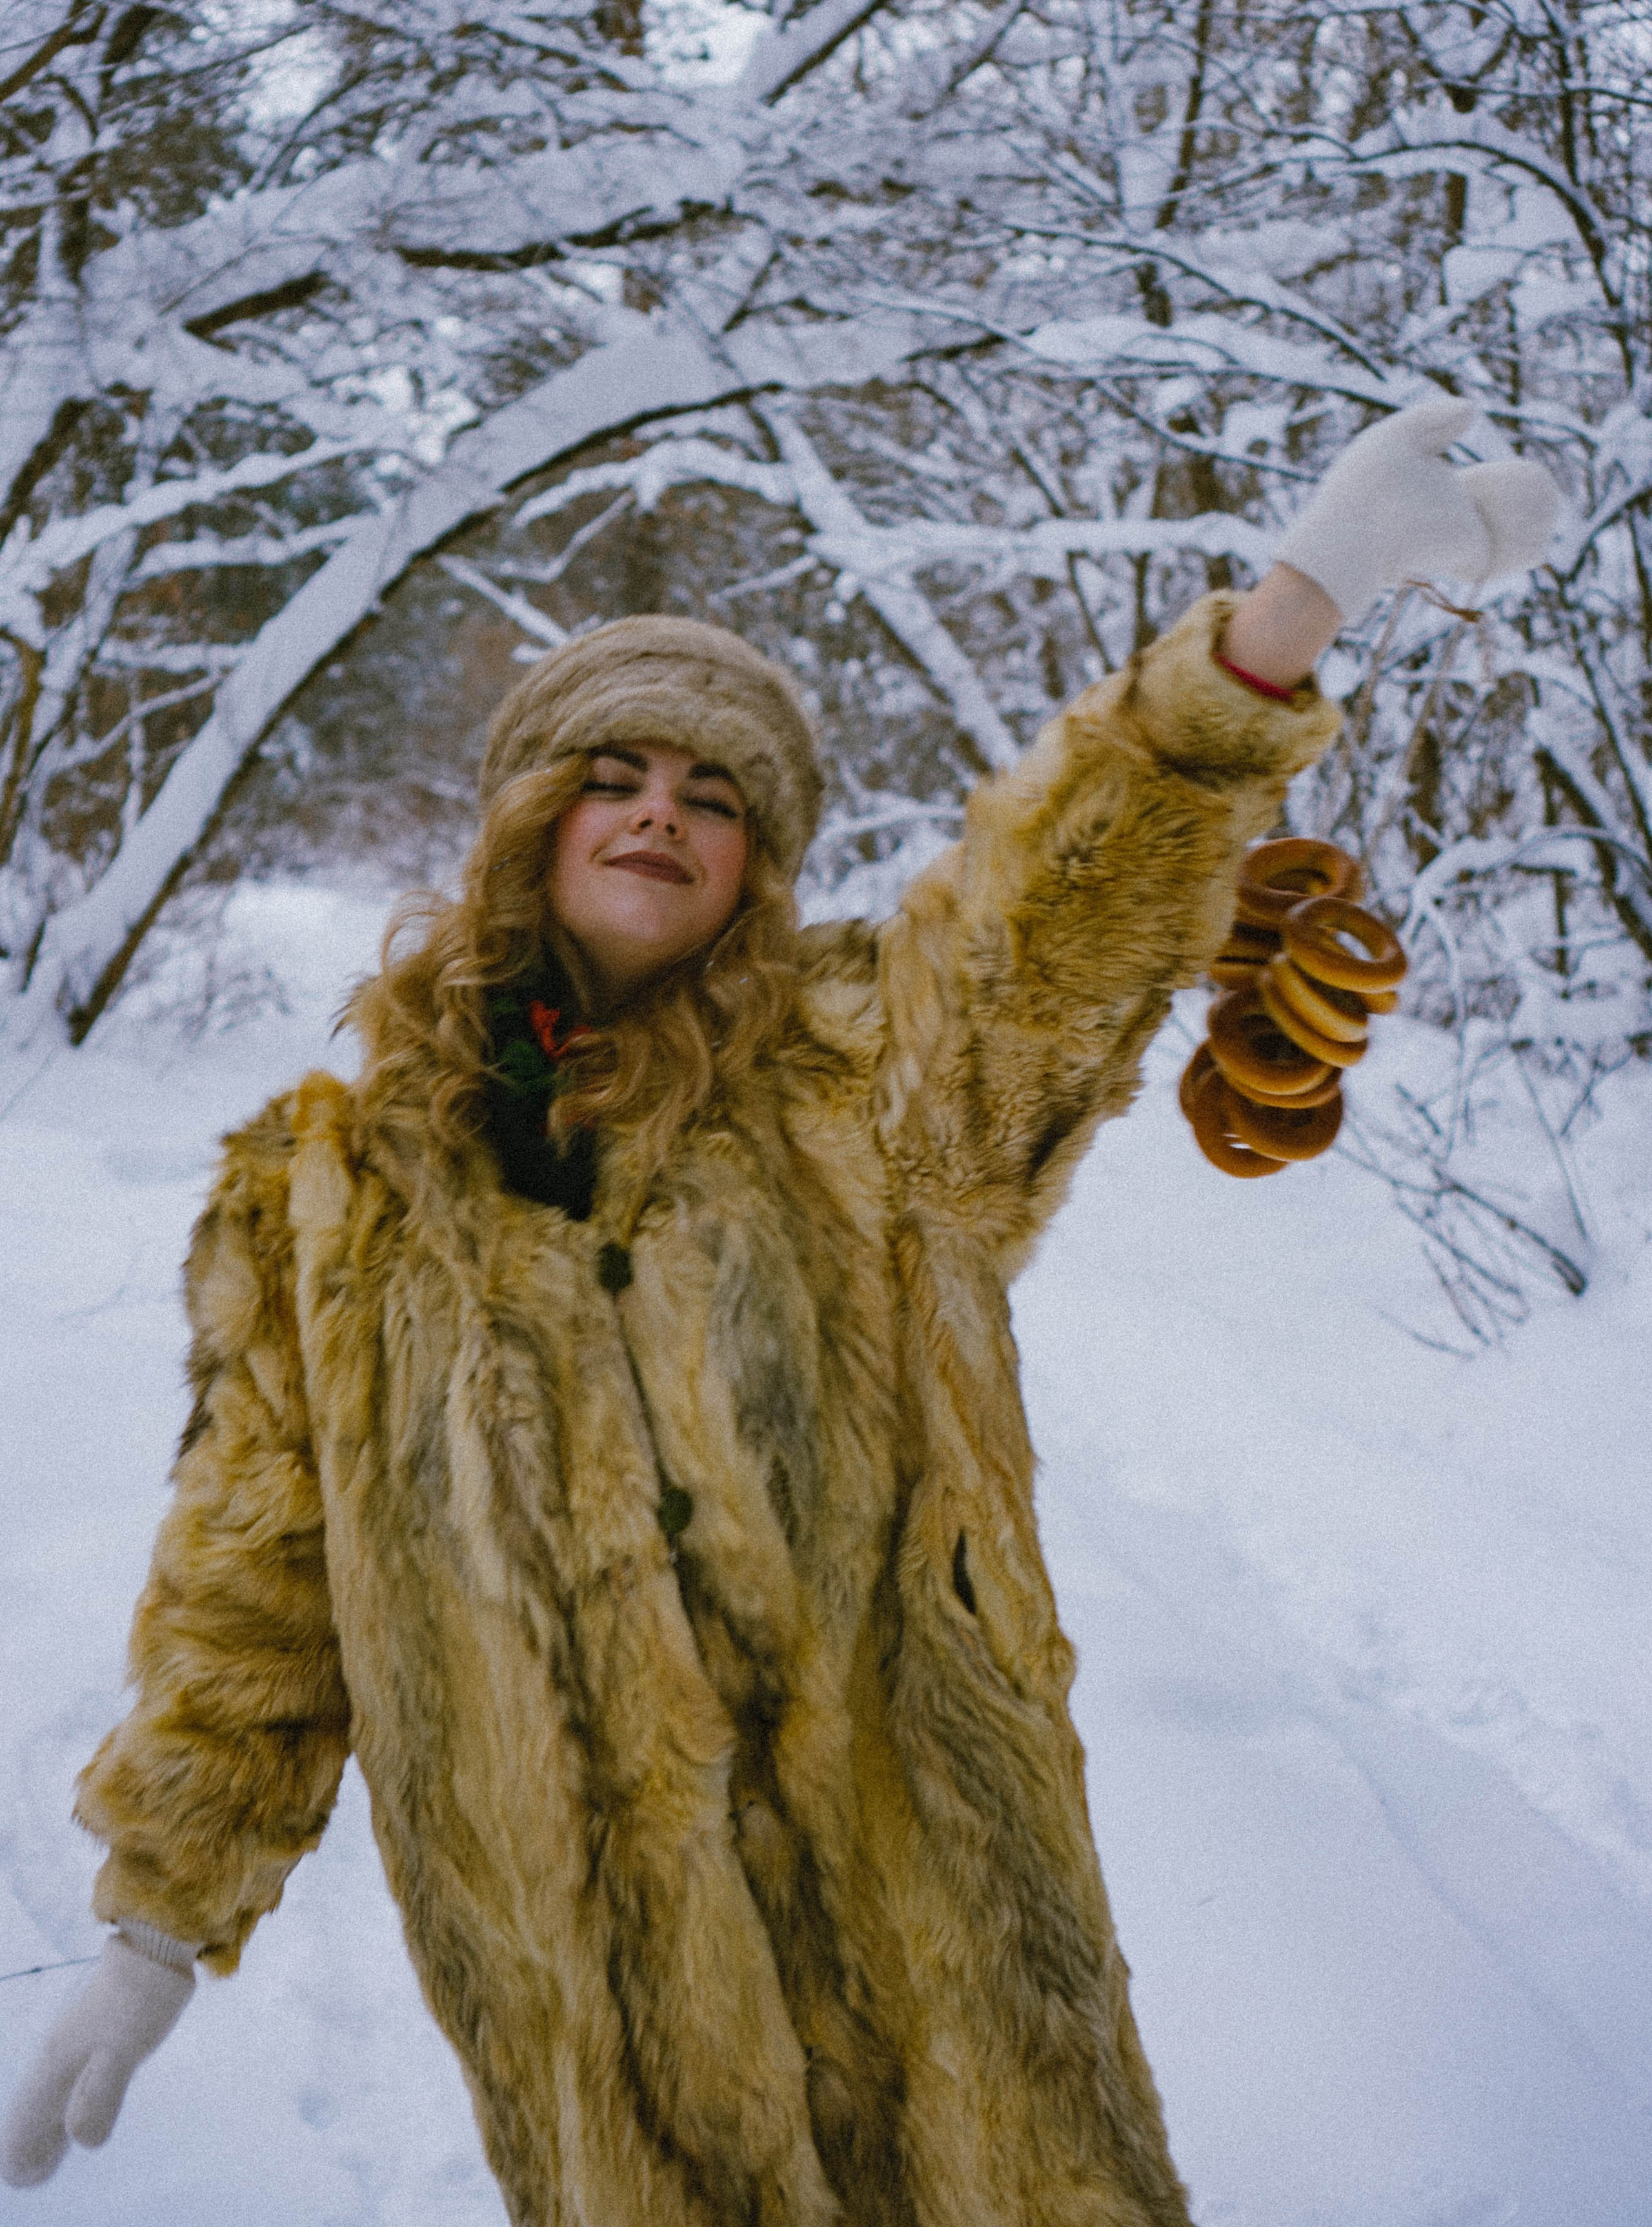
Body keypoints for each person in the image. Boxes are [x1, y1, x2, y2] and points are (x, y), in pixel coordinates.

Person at [2, 400, 1558, 2225]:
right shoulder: (322, 1196)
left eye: (715, 793)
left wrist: (1297, 604)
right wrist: (161, 1926)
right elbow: (257, 1583)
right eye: (618, 774)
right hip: (602, 2032)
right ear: (530, 819)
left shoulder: (873, 1090)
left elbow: (1049, 924)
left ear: (755, 862)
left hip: (952, 1986)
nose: (663, 810)